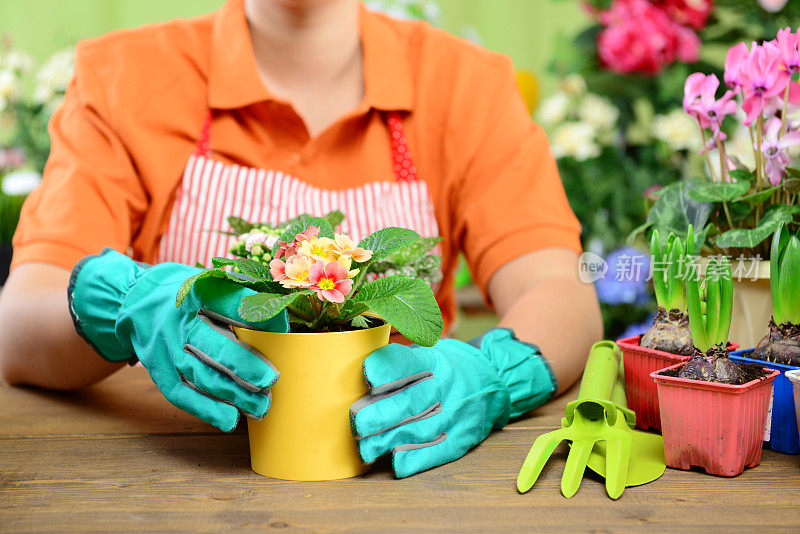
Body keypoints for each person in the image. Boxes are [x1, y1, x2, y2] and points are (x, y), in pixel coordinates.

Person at [0, 0, 602, 477]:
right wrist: (128, 306)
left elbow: (563, 287)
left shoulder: (466, 84)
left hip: (400, 475)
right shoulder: (124, 76)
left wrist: (491, 374)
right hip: (174, 475)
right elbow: (20, 323)